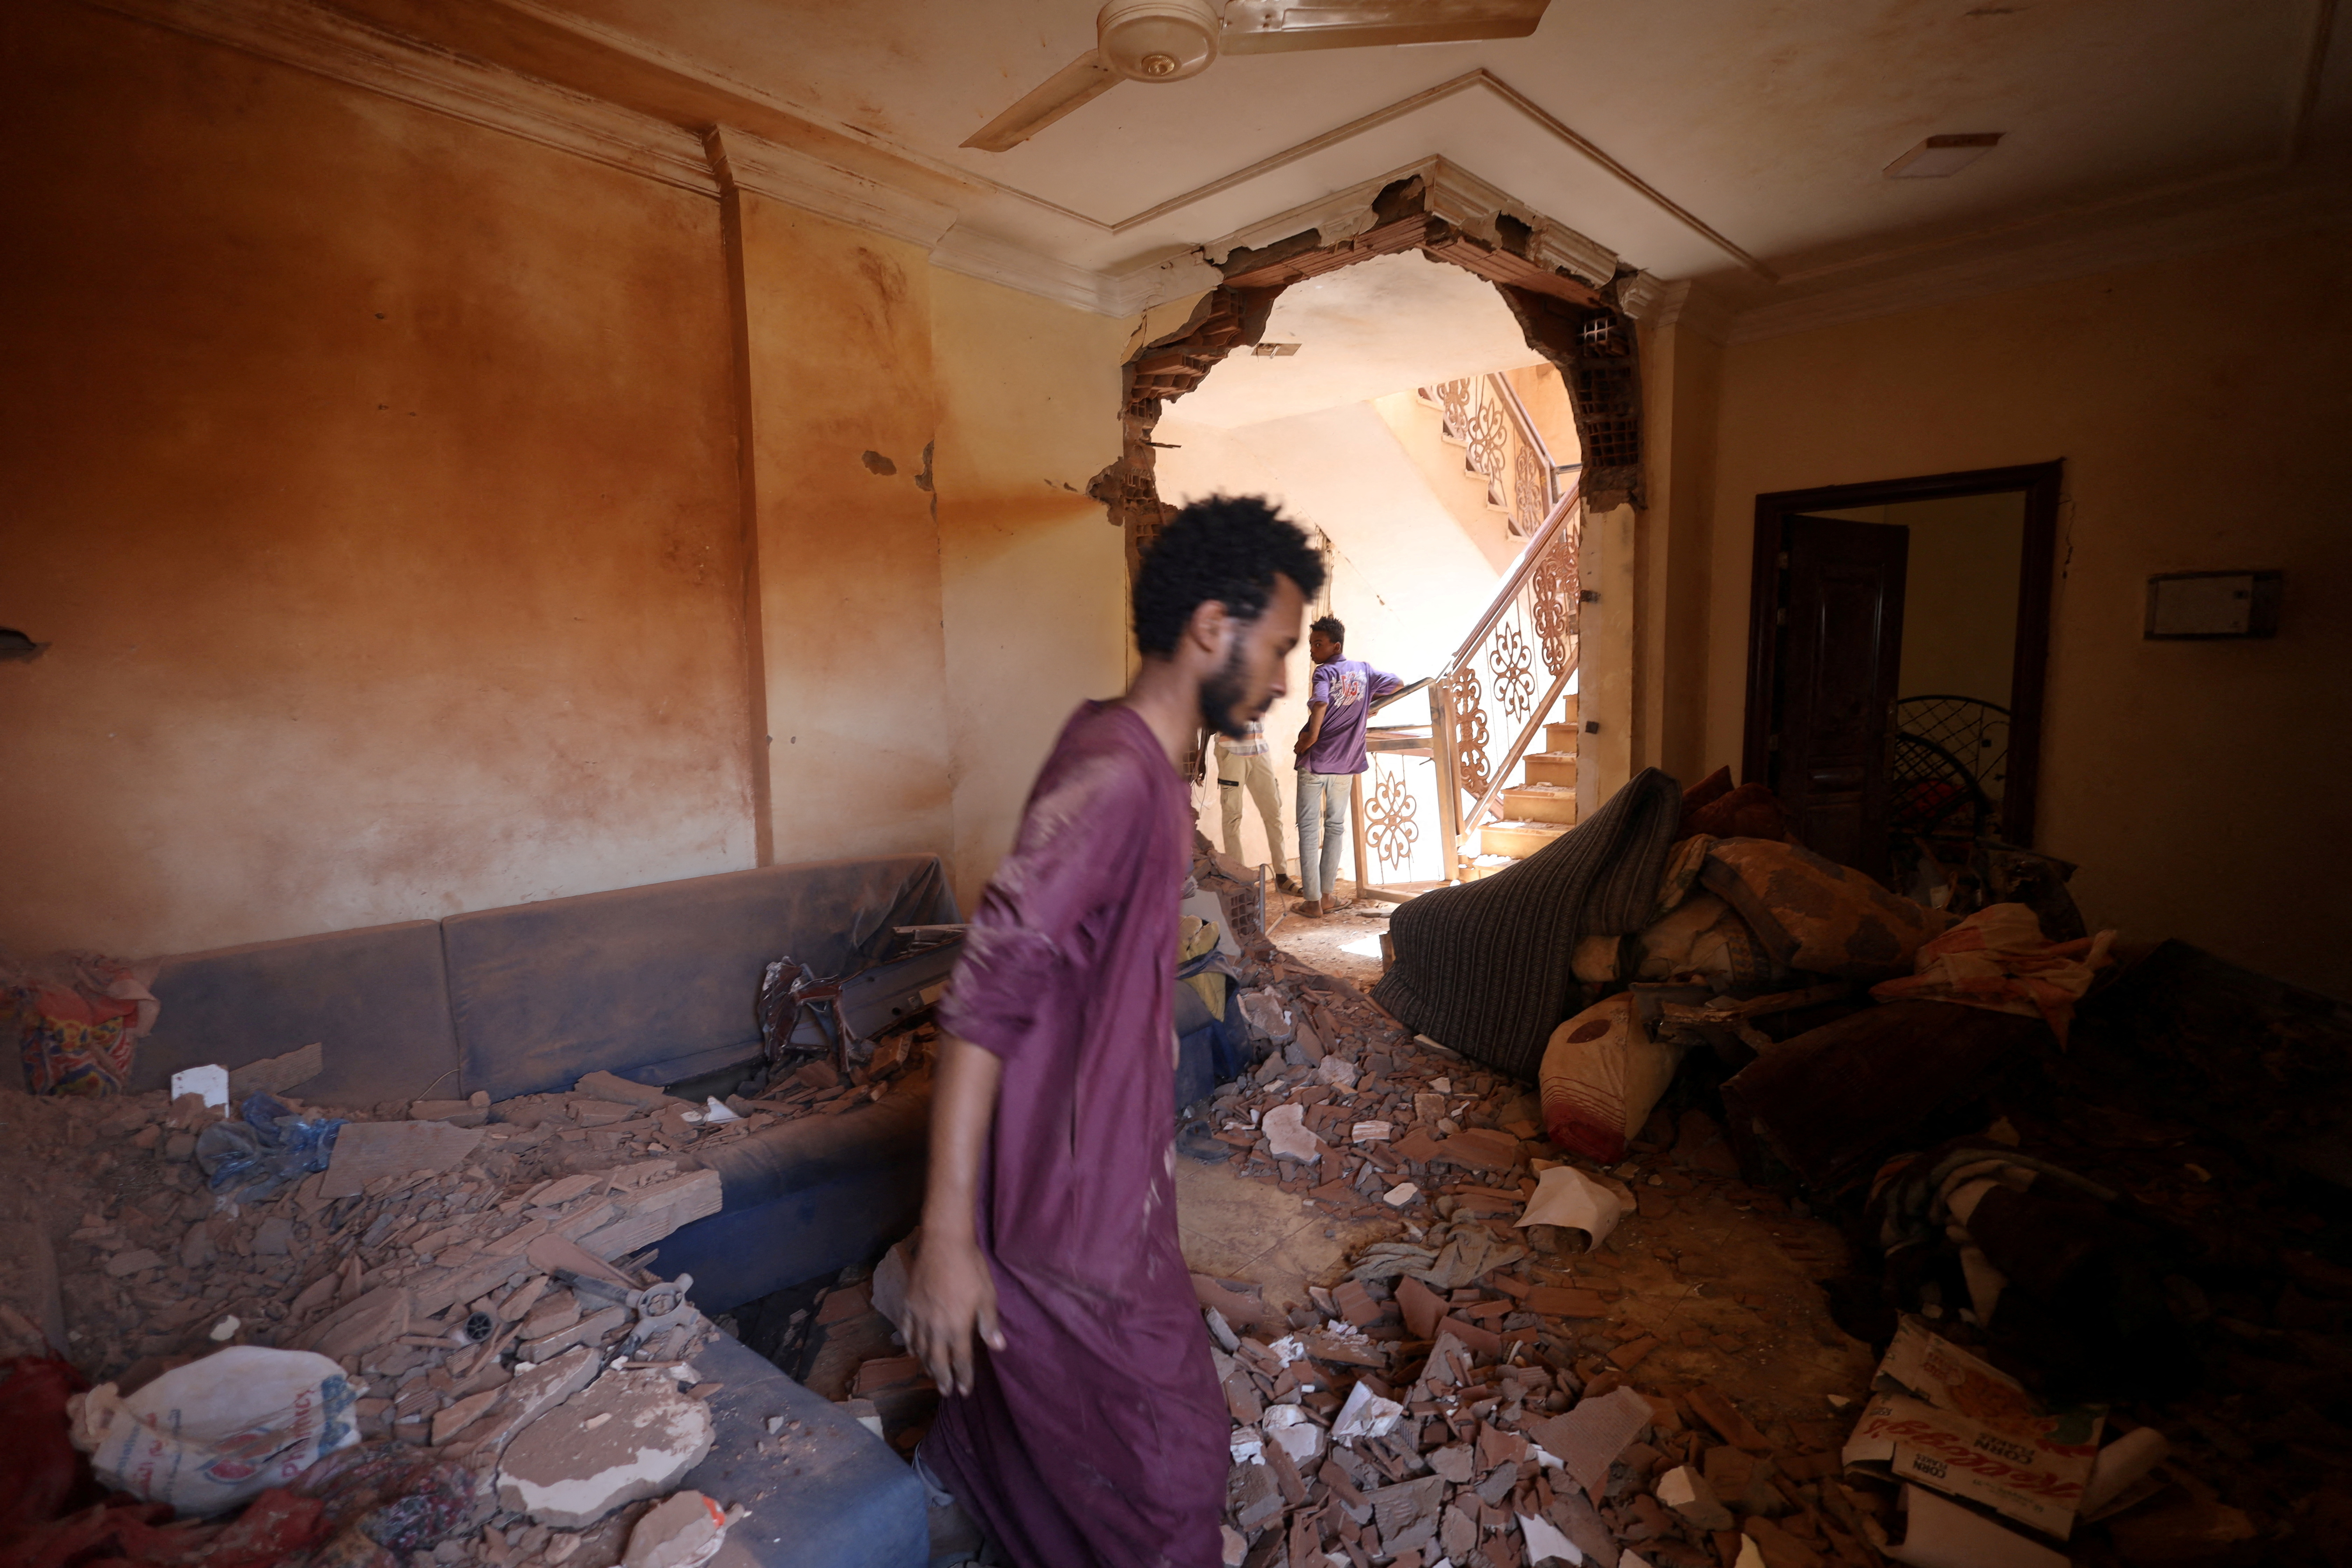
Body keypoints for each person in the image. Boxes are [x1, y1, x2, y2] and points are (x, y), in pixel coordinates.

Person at [904, 495, 1325, 1566]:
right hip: (1070, 1208)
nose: (1282, 680)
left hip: (1109, 1189)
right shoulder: (1110, 775)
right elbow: (981, 999)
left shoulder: (1142, 766)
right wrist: (951, 1241)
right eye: (1275, 647)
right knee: (1171, 1476)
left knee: (1058, 1424)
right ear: (1208, 628)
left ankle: (975, 1498)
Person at [1292, 616, 1401, 917]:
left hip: (1317, 762)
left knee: (1309, 830)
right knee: (1336, 828)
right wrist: (1365, 702)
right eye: (1312, 644)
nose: (1313, 651)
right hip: (1346, 764)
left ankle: (1313, 903)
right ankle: (1328, 898)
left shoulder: (1323, 672)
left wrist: (1310, 738)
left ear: (1335, 646)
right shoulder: (1365, 671)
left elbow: (1321, 703)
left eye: (1318, 644)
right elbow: (1397, 683)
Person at [1212, 718, 1294, 890]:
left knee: (1274, 814)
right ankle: (1239, 879)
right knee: (1232, 818)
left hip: (1260, 750)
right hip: (1231, 752)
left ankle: (1282, 875)